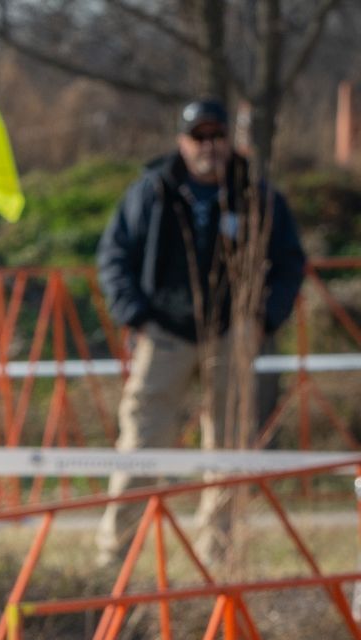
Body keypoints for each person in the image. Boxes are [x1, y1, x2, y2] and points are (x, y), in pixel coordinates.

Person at [94, 96, 305, 565]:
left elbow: (289, 262)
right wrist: (136, 314)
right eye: (198, 137)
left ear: (230, 141)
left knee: (230, 447)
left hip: (232, 333)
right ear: (182, 142)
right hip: (164, 333)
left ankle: (219, 561)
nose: (208, 146)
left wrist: (262, 318)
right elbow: (113, 256)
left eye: (216, 136)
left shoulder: (257, 194)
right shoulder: (152, 190)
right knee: (141, 443)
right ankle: (115, 558)